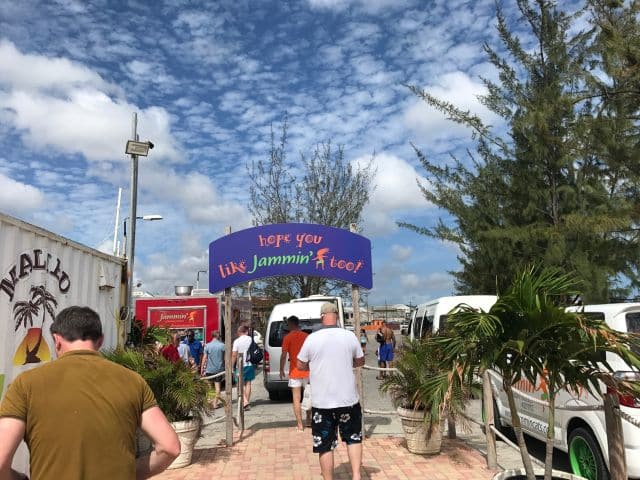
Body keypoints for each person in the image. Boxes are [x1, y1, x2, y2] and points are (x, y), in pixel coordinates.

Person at [0, 306, 180, 480]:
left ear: (56, 340)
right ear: (100, 341)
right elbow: (170, 447)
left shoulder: (25, 384)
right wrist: (130, 474)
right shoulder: (133, 381)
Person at [297, 303, 365, 480]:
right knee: (353, 438)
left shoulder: (312, 338)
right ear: (337, 316)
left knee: (325, 445)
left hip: (322, 402)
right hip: (348, 400)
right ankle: (356, 476)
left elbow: (300, 364)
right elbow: (360, 361)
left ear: (321, 317)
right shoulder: (349, 336)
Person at [279, 315, 310, 431]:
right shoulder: (306, 336)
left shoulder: (287, 337)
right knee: (308, 395)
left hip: (294, 371)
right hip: (307, 371)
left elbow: (283, 355)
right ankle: (309, 419)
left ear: (291, 324)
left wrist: (281, 369)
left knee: (296, 398)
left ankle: (300, 425)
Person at [231, 324, 254, 410]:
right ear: (246, 332)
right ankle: (246, 401)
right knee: (248, 383)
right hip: (249, 364)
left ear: (239, 332)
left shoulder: (237, 341)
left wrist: (232, 366)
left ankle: (244, 402)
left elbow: (234, 355)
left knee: (240, 384)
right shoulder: (250, 339)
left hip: (240, 365)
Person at [201, 330, 225, 408]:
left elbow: (204, 358)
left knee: (210, 387)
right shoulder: (222, 345)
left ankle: (210, 402)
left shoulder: (207, 346)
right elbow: (225, 358)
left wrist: (202, 368)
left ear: (212, 336)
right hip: (219, 370)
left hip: (209, 370)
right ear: (219, 336)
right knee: (217, 387)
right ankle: (215, 403)